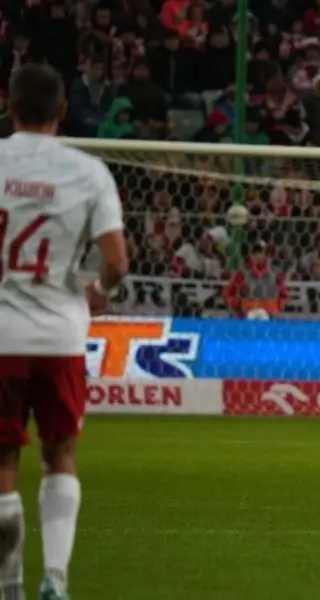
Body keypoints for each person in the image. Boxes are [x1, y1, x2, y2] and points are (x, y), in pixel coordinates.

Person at [0, 64, 130, 600]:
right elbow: (117, 262)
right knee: (60, 453)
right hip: (60, 335)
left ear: (9, 107)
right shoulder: (89, 171)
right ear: (62, 111)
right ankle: (55, 577)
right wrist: (99, 292)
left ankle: (10, 586)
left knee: (3, 460)